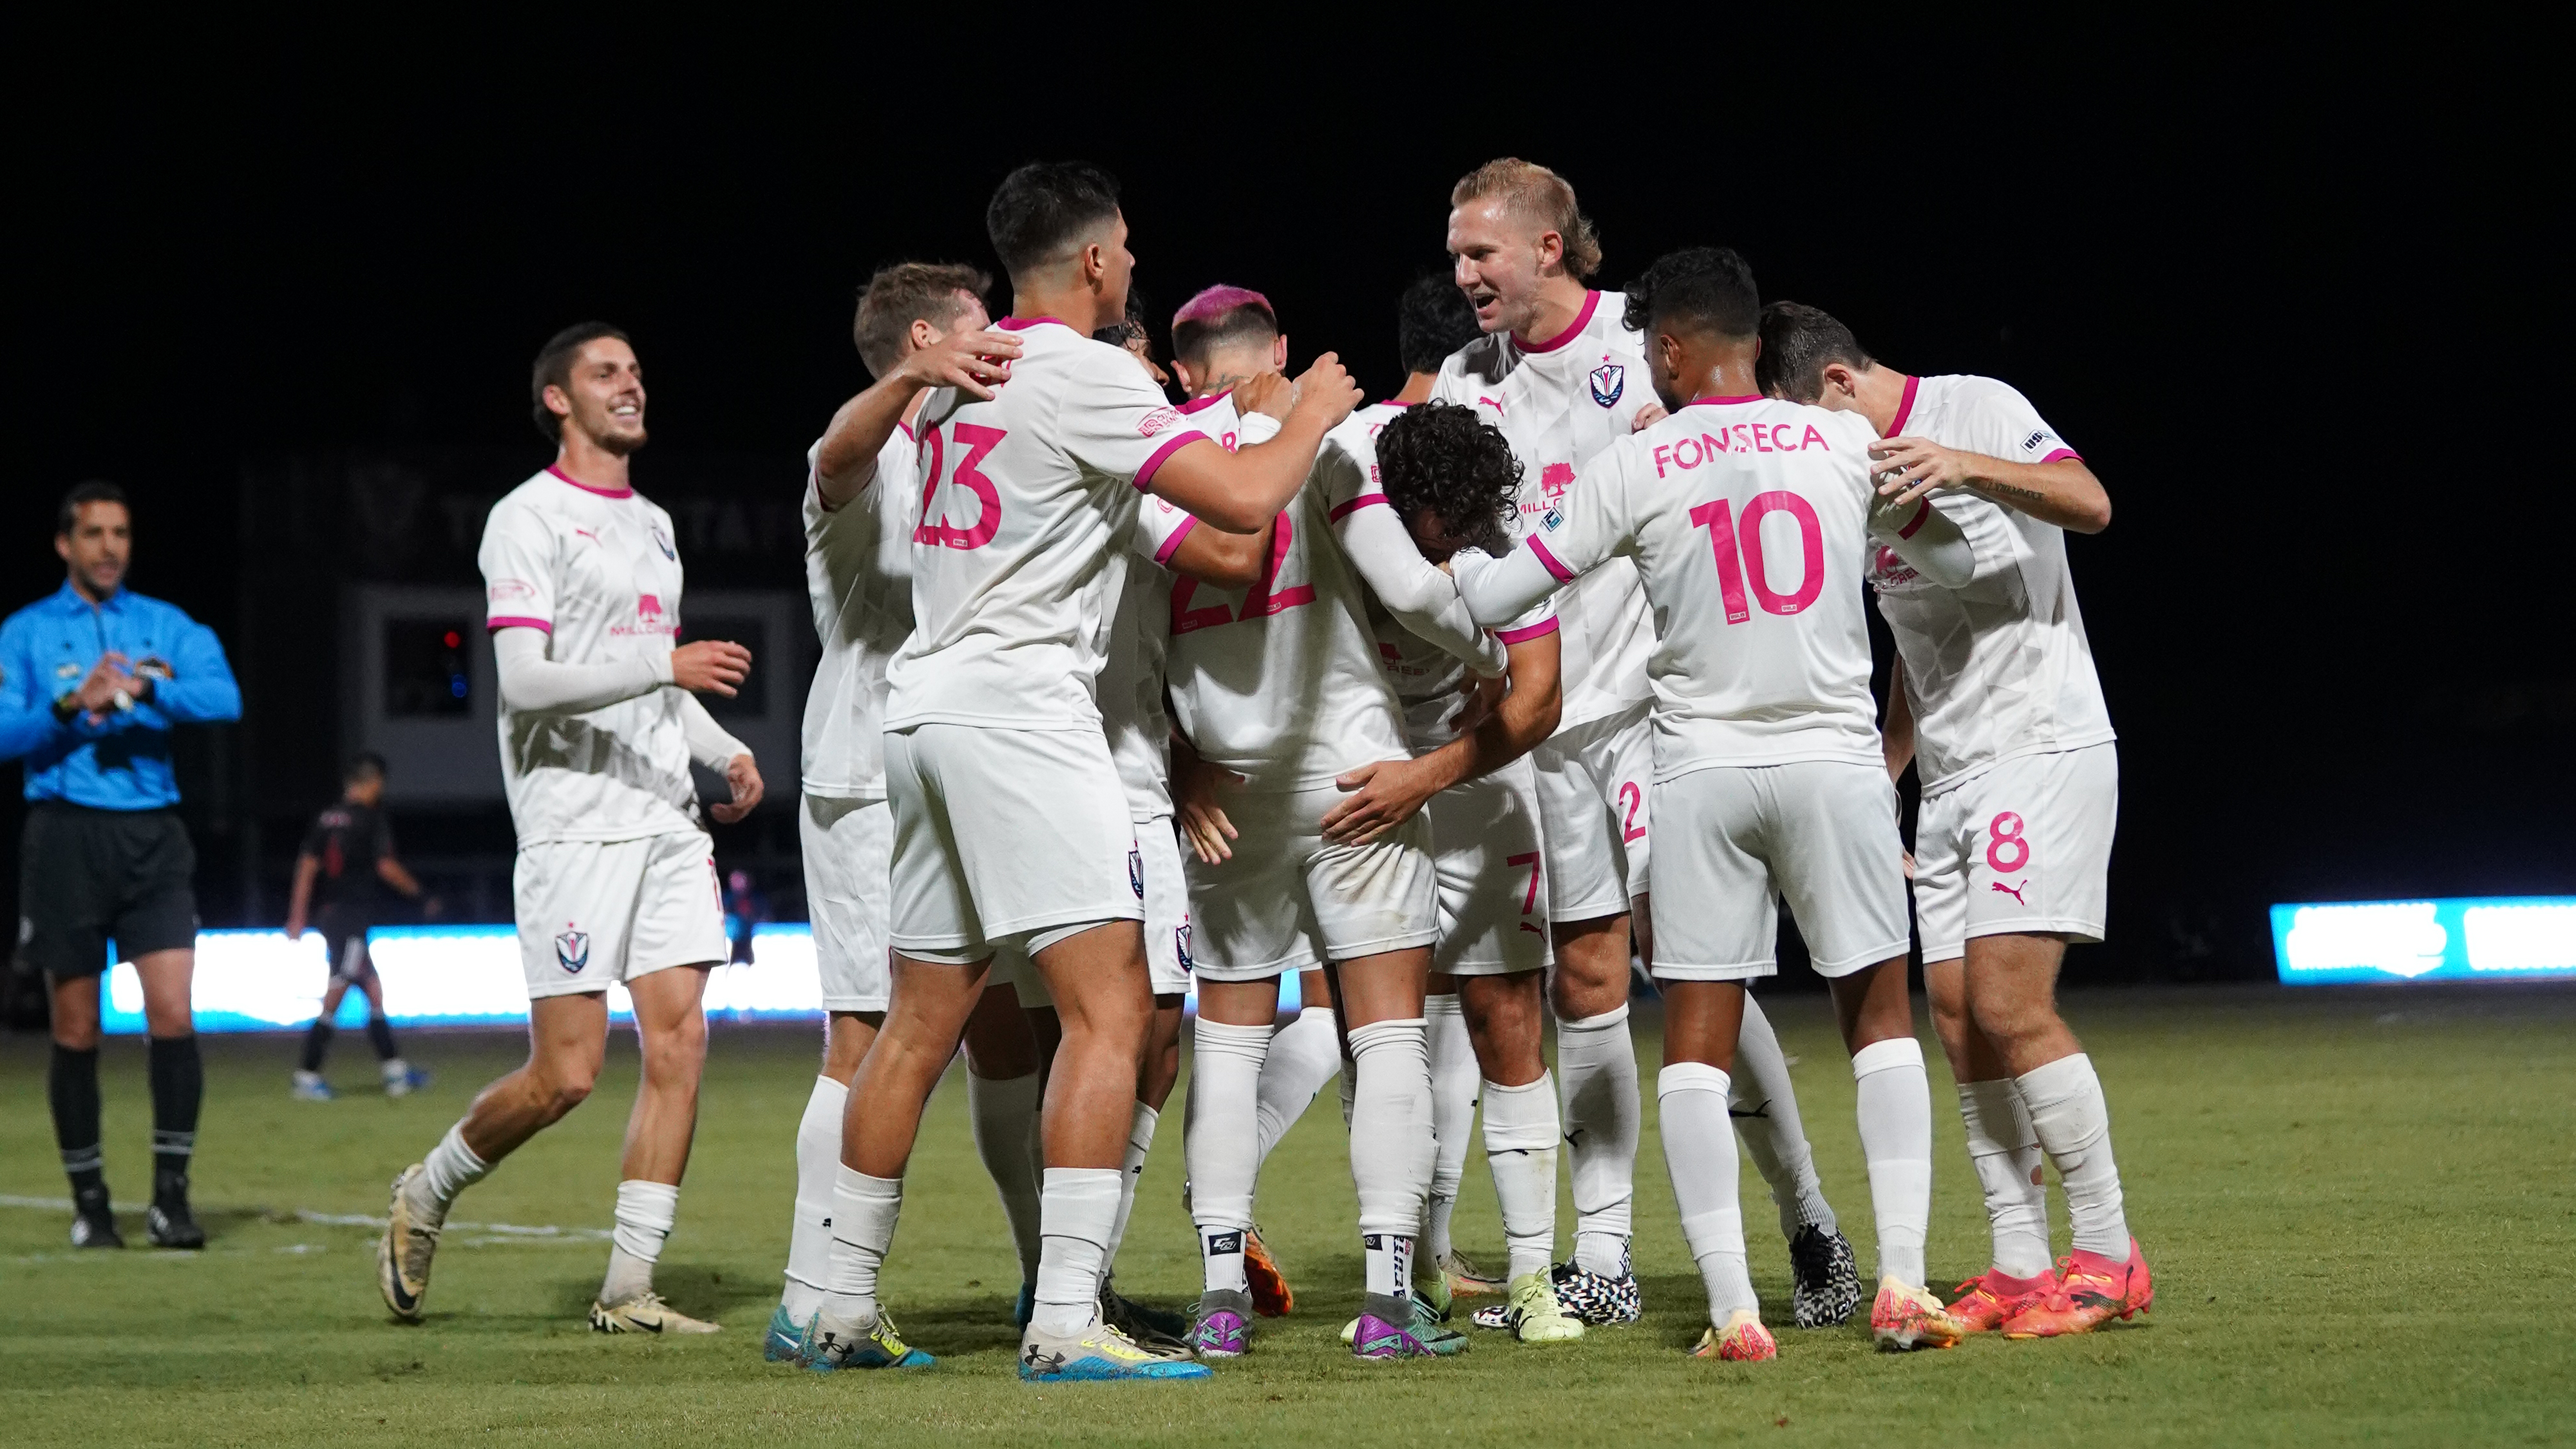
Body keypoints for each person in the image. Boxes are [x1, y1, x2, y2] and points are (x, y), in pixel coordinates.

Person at [810, 162, 1354, 1385]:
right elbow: (1248, 498)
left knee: (919, 1021)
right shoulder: (1086, 371)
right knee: (1115, 1012)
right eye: (1125, 249)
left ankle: (840, 1305)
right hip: (1022, 713)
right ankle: (1065, 1317)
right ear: (1100, 259)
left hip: (924, 713)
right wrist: (1310, 409)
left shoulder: (958, 373)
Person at [1450, 247, 1980, 1359]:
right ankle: (1898, 1286)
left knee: (1694, 1042)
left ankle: (1735, 1309)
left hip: (1699, 772)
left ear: (1676, 349)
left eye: (1653, 349)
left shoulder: (1640, 463)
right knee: (1879, 1020)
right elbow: (1958, 561)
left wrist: (1447, 564)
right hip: (1835, 765)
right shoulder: (1844, 444)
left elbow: (1503, 591)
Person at [1434, 161, 1861, 1329]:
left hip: (1661, 715)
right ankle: (1608, 1261)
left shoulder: (1647, 344)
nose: (1465, 274)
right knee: (1587, 980)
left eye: (1483, 253)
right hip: (1553, 731)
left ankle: (1809, 1222)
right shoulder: (1469, 382)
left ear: (1552, 248)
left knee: (1695, 969)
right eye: (1459, 253)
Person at [1759, 300, 2149, 1338]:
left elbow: (2092, 501)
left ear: (1838, 384)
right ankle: (2019, 1260)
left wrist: (1965, 465)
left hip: (2044, 746)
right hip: (1954, 775)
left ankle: (2109, 1252)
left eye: (1801, 420)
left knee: (2010, 1004)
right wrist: (1888, 770)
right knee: (1958, 1014)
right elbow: (1913, 647)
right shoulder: (1856, 486)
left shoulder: (1973, 406)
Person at [375, 322, 765, 1336]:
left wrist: (720, 747)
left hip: (665, 822)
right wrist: (667, 671)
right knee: (568, 1075)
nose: (631, 385)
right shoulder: (526, 517)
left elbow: (656, 674)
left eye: (637, 370)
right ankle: (428, 1186)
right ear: (558, 398)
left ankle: (630, 1290)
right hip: (572, 825)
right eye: (607, 373)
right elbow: (529, 682)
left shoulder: (655, 523)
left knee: (681, 1043)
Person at [1162, 283, 1499, 1363]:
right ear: (1283, 353)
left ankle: (1219, 1299)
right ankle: (1389, 1301)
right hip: (1353, 766)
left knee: (1227, 1037)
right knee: (1388, 1030)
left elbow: (1124, 646)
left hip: (1227, 785)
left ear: (1182, 371)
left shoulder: (1155, 454)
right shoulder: (1331, 445)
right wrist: (1503, 659)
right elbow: (1410, 591)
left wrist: (1180, 766)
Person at [766, 260, 1025, 1365]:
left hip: (961, 765)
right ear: (924, 342)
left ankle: (1057, 1280)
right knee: (864, 1038)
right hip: (867, 773)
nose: (1002, 350)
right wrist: (908, 380)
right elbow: (834, 454)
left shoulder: (974, 444)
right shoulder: (874, 452)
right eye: (978, 336)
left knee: (1008, 1034)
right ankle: (807, 1299)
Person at [1360, 397, 1583, 1346]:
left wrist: (1428, 774)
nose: (1450, 537)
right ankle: (1410, 1273)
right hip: (1377, 795)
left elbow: (1537, 702)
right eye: (1437, 520)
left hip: (1475, 796)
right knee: (1390, 1035)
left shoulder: (1499, 559)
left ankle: (1533, 1276)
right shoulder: (1353, 533)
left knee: (1505, 1020)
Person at [1, 480, 242, 1250]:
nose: (110, 547)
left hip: (153, 838)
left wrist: (142, 686)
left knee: (172, 1014)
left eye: (122, 533)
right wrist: (74, 708)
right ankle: (91, 1203)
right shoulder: (26, 633)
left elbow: (224, 698)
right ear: (65, 544)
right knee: (76, 1030)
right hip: (66, 836)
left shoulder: (162, 626)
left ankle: (172, 1200)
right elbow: (6, 734)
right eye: (95, 534)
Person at [284, 753, 433, 1101]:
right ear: (372, 783)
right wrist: (420, 894)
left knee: (373, 989)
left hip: (331, 914)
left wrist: (297, 915)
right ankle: (307, 1075)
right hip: (351, 916)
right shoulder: (370, 819)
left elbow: (307, 866)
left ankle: (395, 1073)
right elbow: (385, 866)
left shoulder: (326, 818)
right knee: (339, 986)